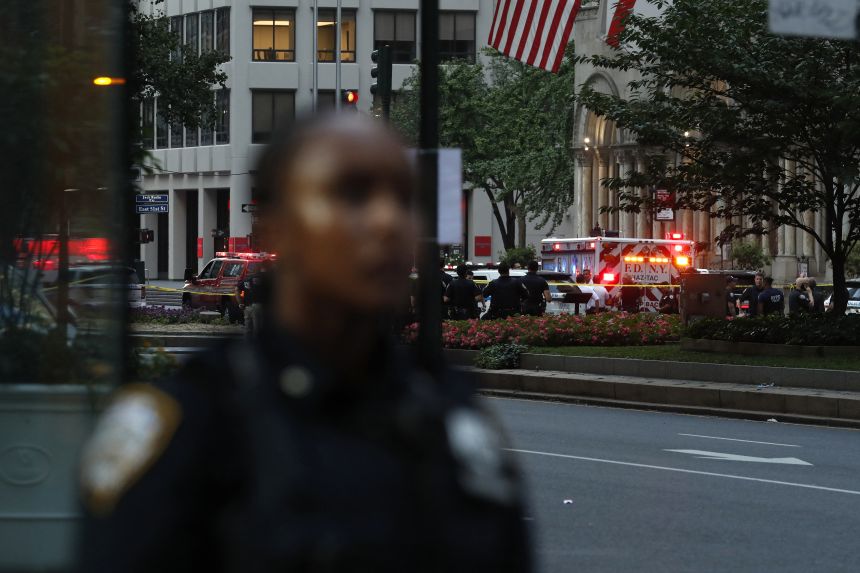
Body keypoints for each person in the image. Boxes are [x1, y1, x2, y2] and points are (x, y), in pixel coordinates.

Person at [77, 115, 531, 572]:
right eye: (352, 194)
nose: (389, 221)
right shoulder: (190, 427)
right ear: (278, 228)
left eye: (406, 198)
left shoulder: (456, 424)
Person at [239, 260, 272, 338]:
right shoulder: (267, 277)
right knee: (258, 329)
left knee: (248, 329)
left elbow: (237, 289)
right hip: (259, 306)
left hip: (247, 307)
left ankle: (247, 347)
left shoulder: (249, 278)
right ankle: (257, 347)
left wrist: (240, 302)